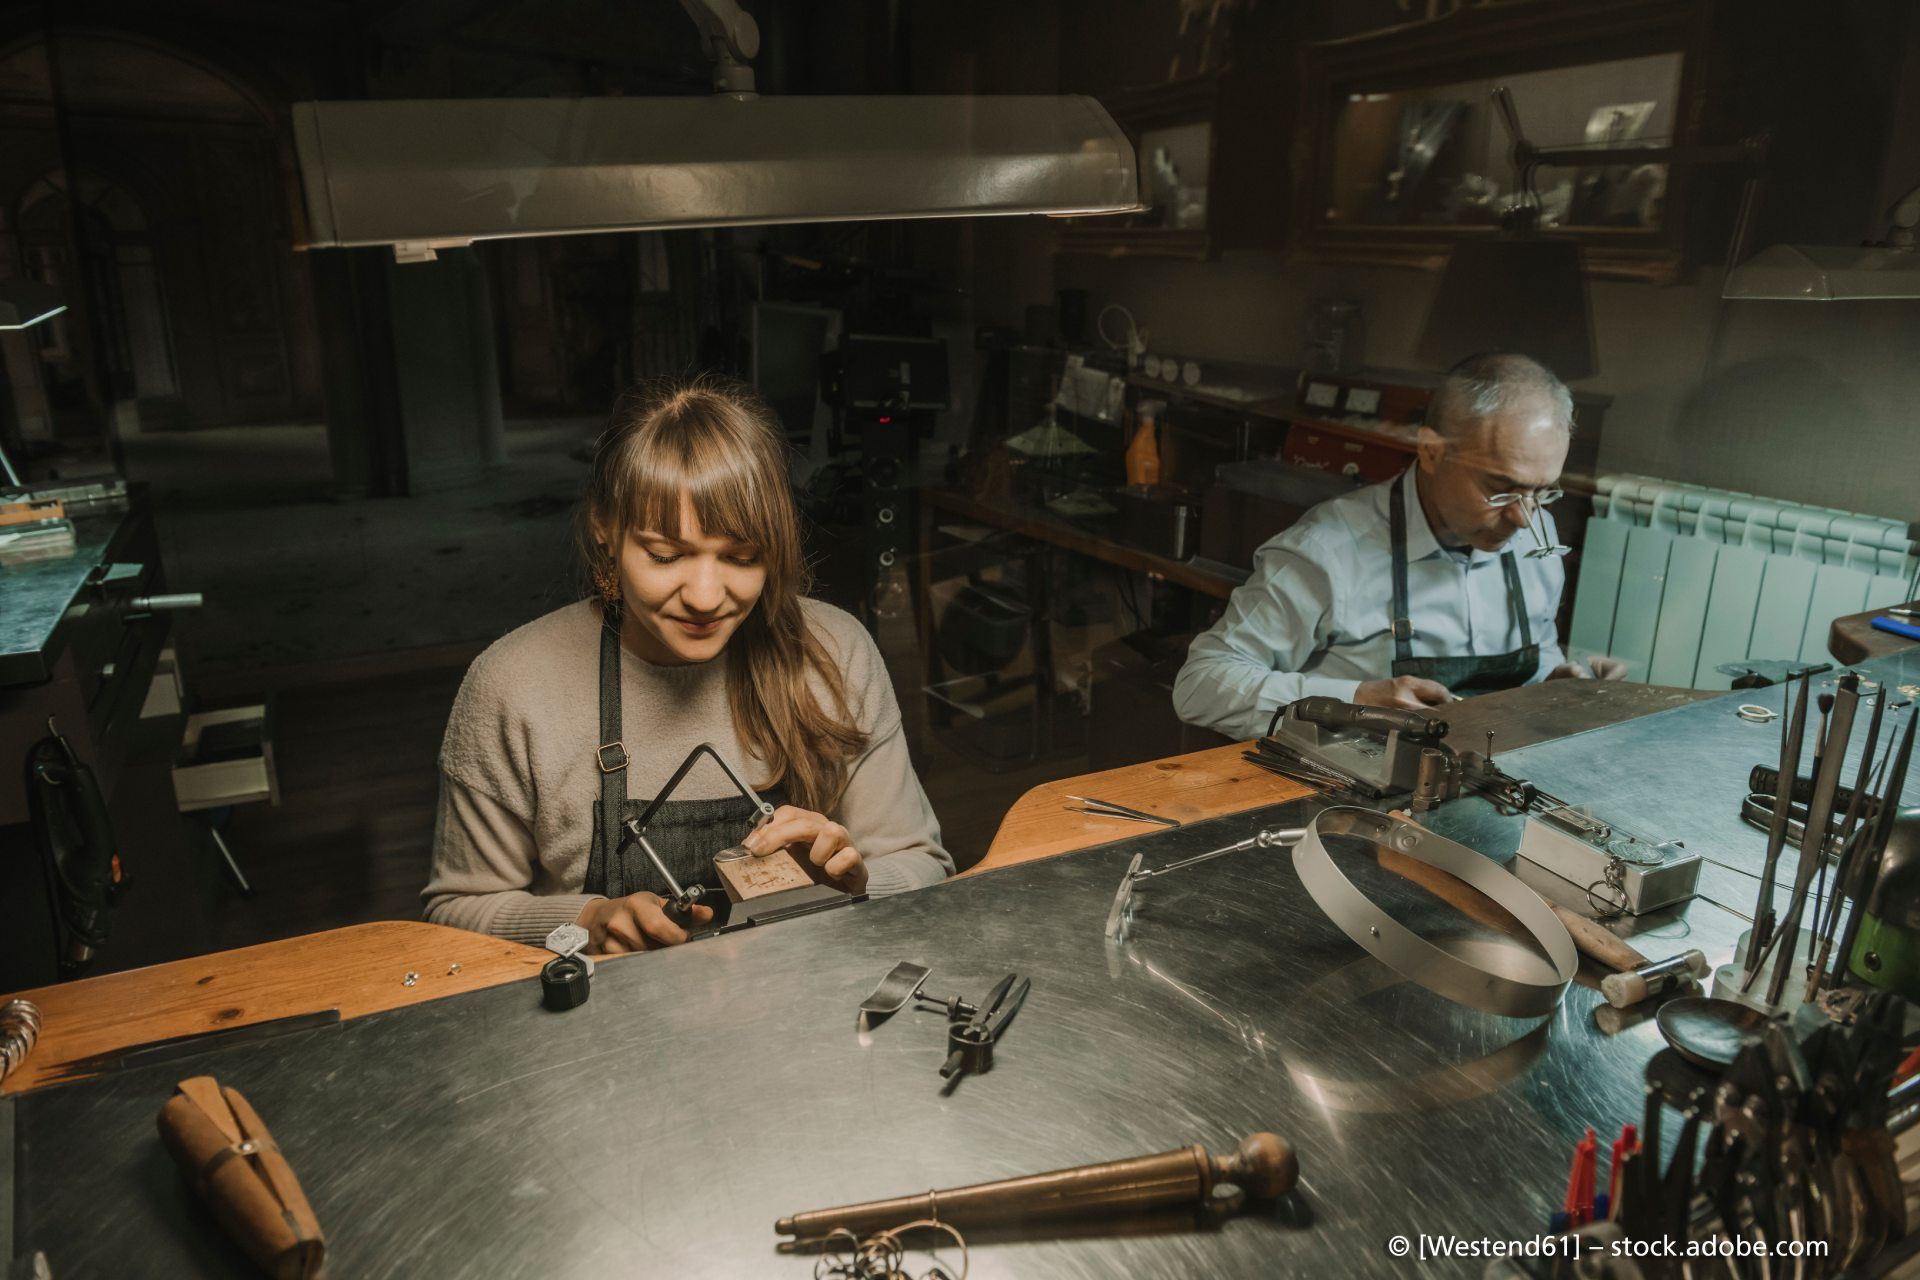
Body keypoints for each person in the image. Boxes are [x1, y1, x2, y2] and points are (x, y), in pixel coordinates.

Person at [423, 377, 952, 953]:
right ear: (604, 527)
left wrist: (855, 886)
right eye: (666, 555)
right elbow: (458, 912)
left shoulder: (836, 651)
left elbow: (921, 863)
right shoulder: (512, 685)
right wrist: (587, 922)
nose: (705, 596)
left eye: (742, 557)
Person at [1173, 353, 1625, 741]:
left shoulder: (1535, 537)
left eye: (1543, 491)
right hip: (1350, 798)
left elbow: (1536, 654)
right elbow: (1201, 686)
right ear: (1430, 452)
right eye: (1501, 490)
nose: (1525, 517)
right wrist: (1357, 700)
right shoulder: (1329, 551)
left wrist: (1553, 684)